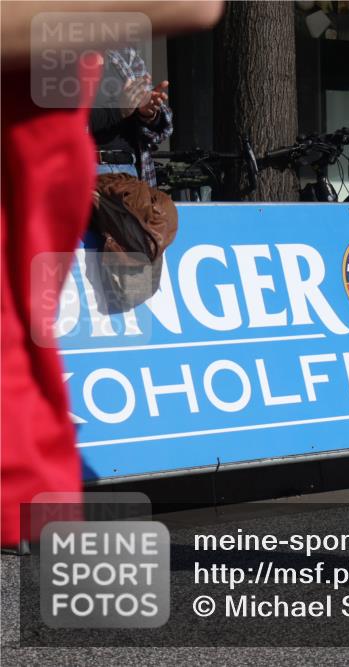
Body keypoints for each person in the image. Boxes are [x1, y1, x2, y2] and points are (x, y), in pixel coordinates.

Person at [1, 1, 223, 551]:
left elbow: (151, 126)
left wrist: (147, 113)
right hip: (81, 179)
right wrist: (116, 112)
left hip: (109, 182)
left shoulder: (111, 39)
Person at [90, 46, 173, 186]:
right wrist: (118, 111)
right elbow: (65, 125)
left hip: (129, 170)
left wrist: (148, 114)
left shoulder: (126, 56)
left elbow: (159, 131)